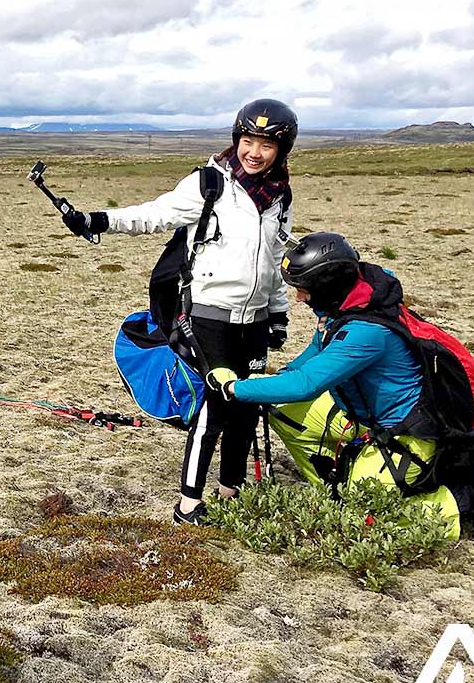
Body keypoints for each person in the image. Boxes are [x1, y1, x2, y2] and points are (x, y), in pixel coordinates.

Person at [63, 100, 298, 525]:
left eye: (265, 144)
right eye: (247, 141)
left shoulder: (280, 195)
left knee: (248, 405)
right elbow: (153, 215)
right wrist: (97, 220)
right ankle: (188, 503)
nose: (254, 152)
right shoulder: (210, 184)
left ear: (282, 149)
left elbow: (276, 258)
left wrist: (277, 314)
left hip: (256, 319)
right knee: (216, 403)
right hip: (209, 315)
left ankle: (232, 490)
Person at [206, 232, 474, 539]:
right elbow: (314, 356)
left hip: (410, 437)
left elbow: (306, 384)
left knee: (364, 519)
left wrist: (234, 388)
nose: (299, 297)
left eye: (304, 290)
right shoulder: (348, 306)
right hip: (365, 419)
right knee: (280, 405)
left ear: (327, 286)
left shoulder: (367, 331)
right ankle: (338, 487)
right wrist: (274, 380)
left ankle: (470, 498)